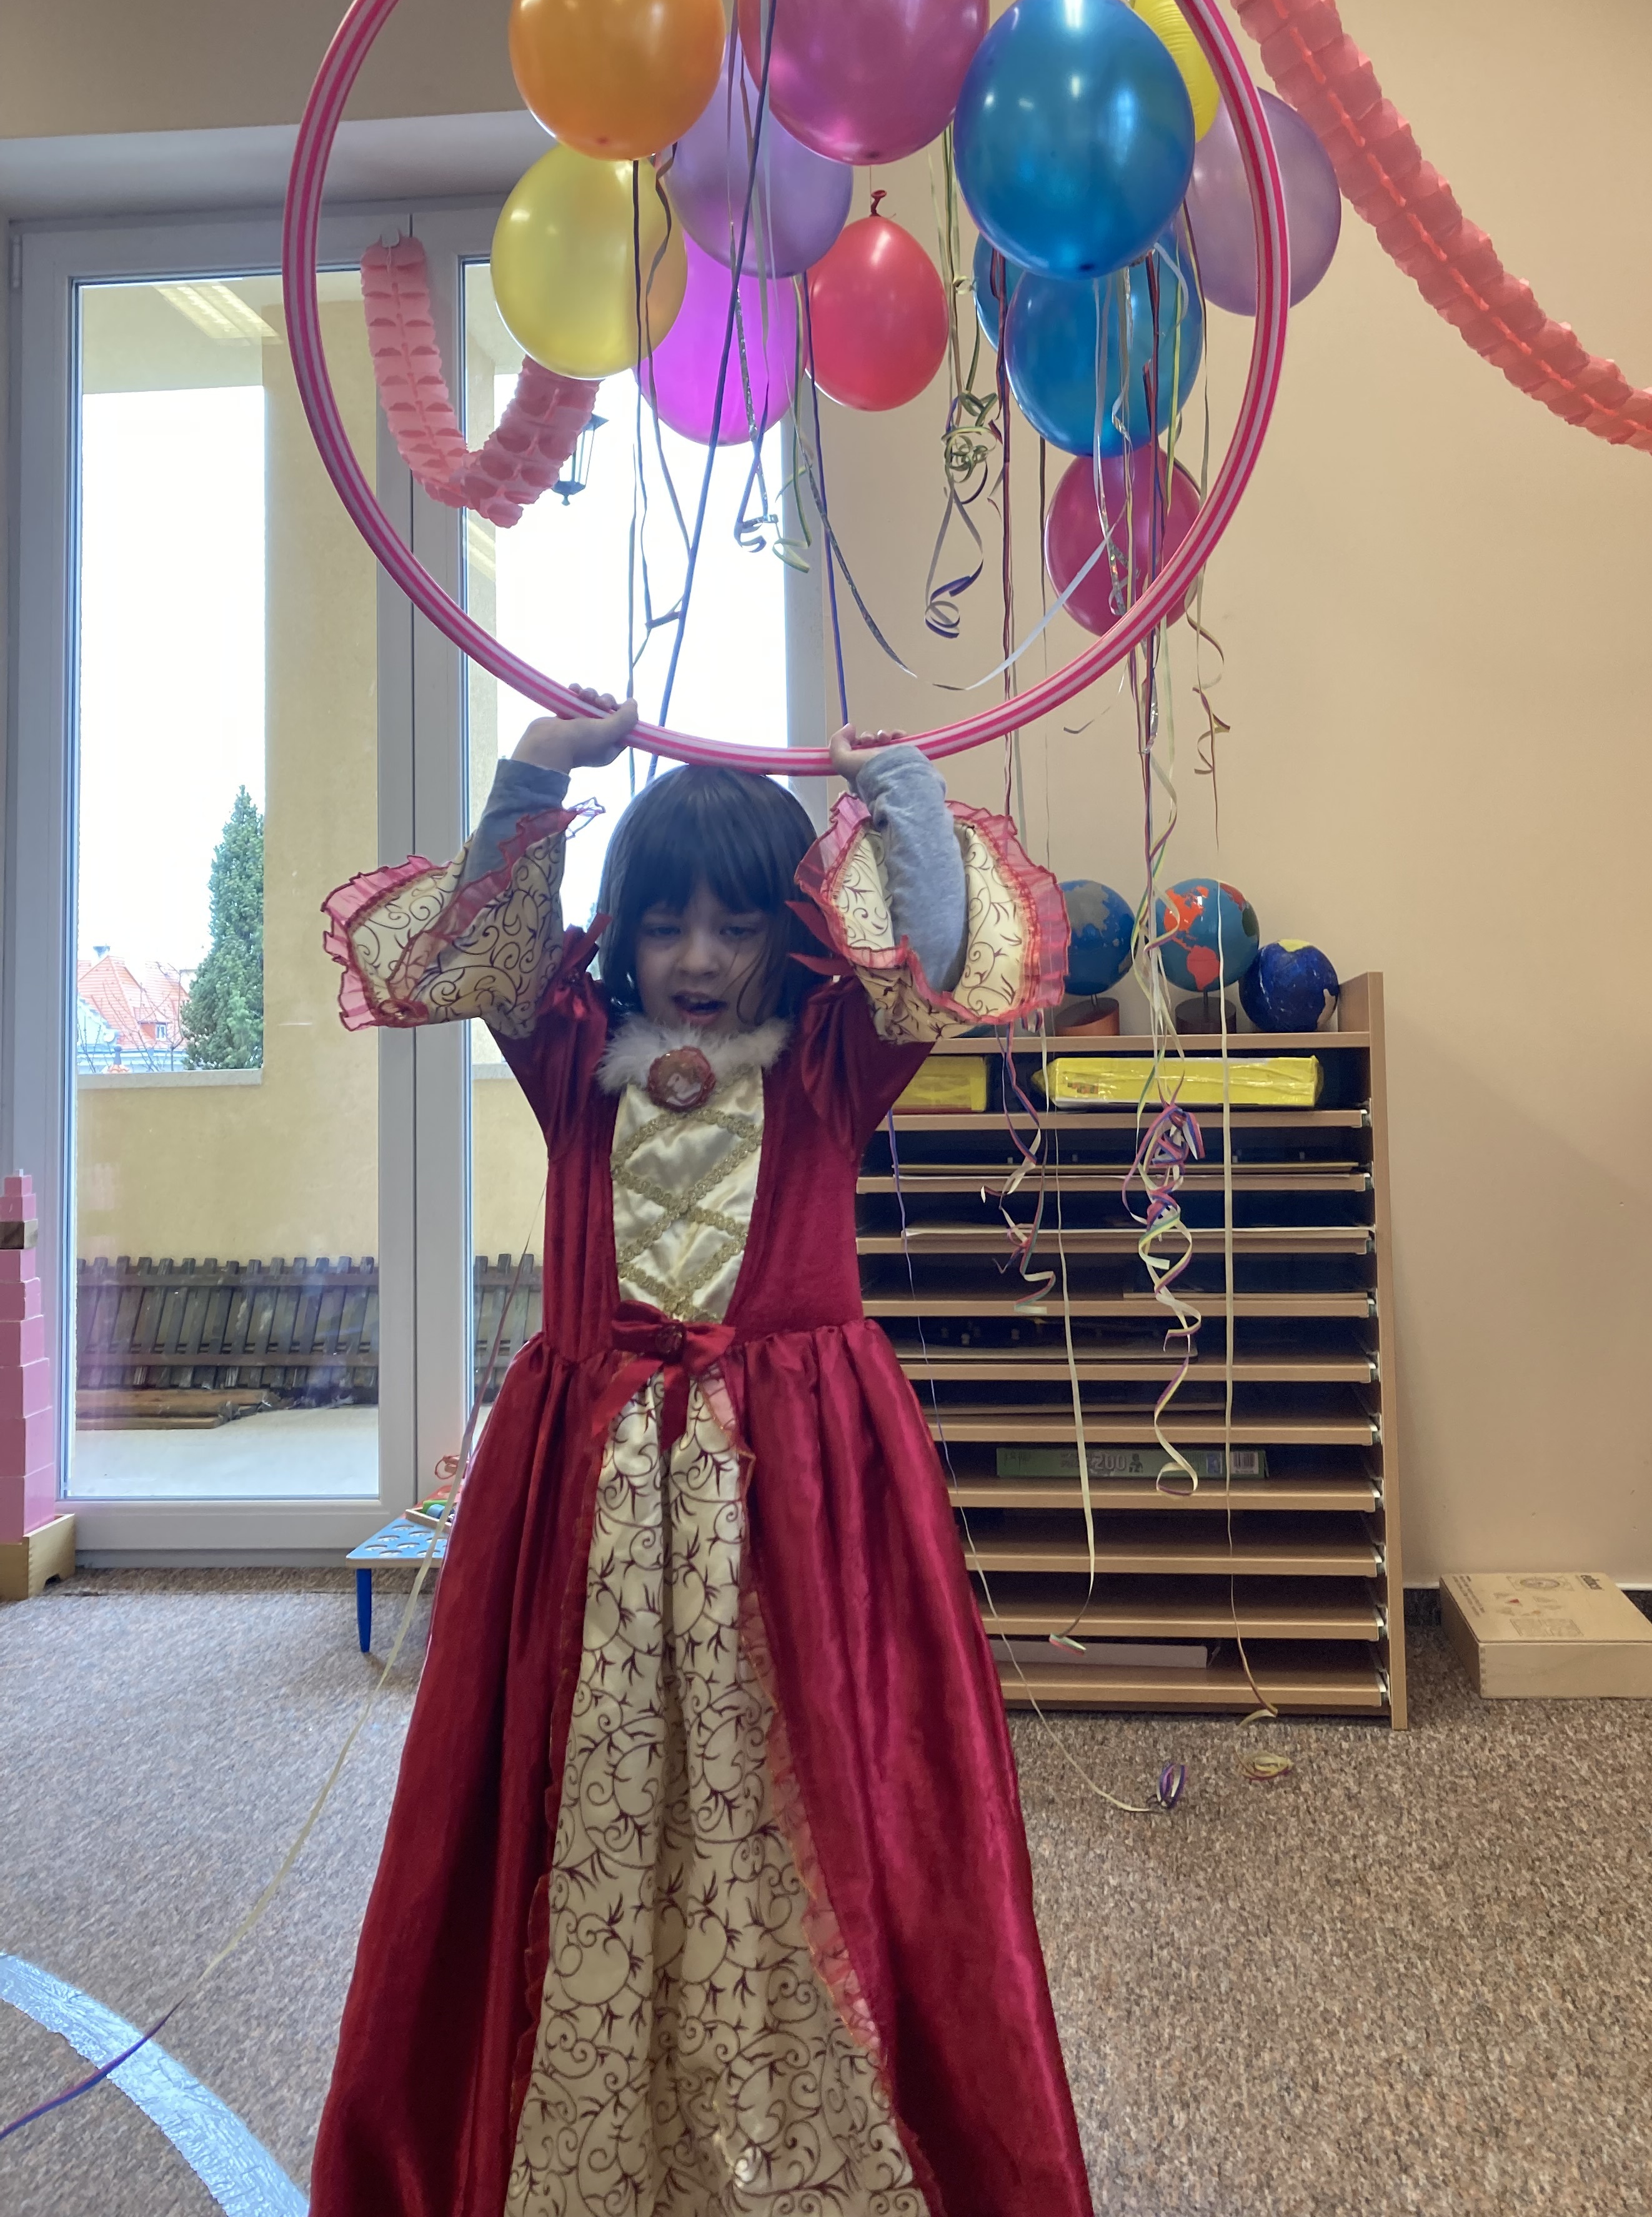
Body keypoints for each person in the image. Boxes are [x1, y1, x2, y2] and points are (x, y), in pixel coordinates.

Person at [309, 694, 1086, 2217]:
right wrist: (536, 771)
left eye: (736, 927)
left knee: (809, 1777)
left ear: (789, 937)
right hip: (588, 1492)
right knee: (579, 1782)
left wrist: (899, 789)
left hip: (800, 1490)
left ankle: (803, 2115)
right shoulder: (572, 1054)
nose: (701, 958)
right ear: (625, 938)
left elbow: (931, 952)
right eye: (665, 926)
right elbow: (491, 946)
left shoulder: (830, 1066)